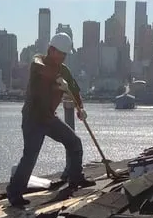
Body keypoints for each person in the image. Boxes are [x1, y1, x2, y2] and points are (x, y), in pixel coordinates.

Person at [7, 32, 93, 207]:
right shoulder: (37, 63)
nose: (63, 57)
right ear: (51, 50)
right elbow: (41, 69)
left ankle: (76, 178)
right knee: (30, 156)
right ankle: (14, 193)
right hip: (33, 118)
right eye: (61, 53)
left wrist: (80, 108)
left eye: (65, 54)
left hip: (49, 118)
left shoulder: (64, 70)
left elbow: (74, 90)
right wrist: (57, 80)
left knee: (74, 142)